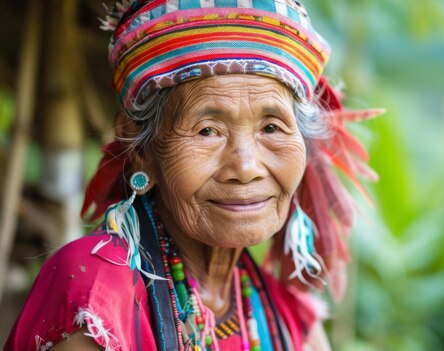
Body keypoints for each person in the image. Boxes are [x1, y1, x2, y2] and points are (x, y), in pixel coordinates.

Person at [4, 1, 381, 350]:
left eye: (271, 127)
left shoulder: (288, 320)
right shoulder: (98, 294)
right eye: (207, 131)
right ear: (142, 150)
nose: (246, 167)